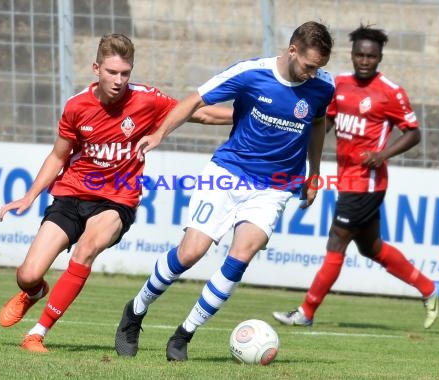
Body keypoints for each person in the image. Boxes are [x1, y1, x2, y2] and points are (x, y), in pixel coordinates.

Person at [0, 33, 232, 353]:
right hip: (72, 194)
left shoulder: (147, 100)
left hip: (117, 200)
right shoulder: (77, 107)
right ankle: (34, 292)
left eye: (125, 73)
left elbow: (196, 112)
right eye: (112, 72)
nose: (119, 81)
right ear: (96, 68)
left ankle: (36, 334)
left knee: (86, 249)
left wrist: (242, 115)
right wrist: (30, 195)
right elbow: (58, 156)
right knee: (27, 274)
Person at [114, 21, 336, 361]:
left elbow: (318, 122)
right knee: (190, 254)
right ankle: (135, 311)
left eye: (319, 68)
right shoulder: (251, 73)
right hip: (228, 175)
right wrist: (160, 135)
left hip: (274, 189)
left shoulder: (322, 87)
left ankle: (183, 336)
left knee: (241, 256)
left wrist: (315, 171)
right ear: (292, 51)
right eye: (308, 66)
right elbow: (195, 99)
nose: (312, 74)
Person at [272, 24, 439, 330]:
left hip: (366, 184)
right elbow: (325, 123)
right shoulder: (338, 84)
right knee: (371, 248)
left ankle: (307, 311)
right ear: (353, 55)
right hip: (346, 179)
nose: (364, 61)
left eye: (371, 56)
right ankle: (430, 288)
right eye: (359, 55)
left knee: (336, 239)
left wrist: (382, 155)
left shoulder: (390, 92)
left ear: (379, 58)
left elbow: (414, 133)